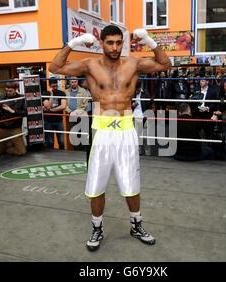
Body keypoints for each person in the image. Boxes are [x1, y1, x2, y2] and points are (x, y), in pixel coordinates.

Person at [49, 25, 171, 251]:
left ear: (122, 42)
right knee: (96, 185)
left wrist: (149, 41)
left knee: (131, 183)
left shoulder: (133, 63)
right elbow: (54, 67)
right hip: (101, 132)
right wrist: (73, 44)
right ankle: (97, 228)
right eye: (110, 43)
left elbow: (165, 64)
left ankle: (136, 225)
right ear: (102, 43)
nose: (115, 47)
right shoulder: (89, 65)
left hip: (125, 130)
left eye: (118, 42)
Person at [0, 82, 27, 156]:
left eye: (10, 91)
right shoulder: (2, 97)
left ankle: (8, 149)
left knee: (22, 151)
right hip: (2, 127)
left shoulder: (21, 98)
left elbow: (25, 112)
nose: (8, 93)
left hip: (15, 128)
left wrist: (12, 111)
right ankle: (7, 147)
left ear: (16, 89)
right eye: (7, 90)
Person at [42, 79, 67, 150]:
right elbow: (48, 106)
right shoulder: (45, 93)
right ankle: (51, 159)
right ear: (50, 85)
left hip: (59, 120)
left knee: (61, 141)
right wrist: (51, 95)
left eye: (56, 86)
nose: (55, 87)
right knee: (50, 142)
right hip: (48, 121)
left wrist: (52, 110)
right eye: (53, 86)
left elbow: (63, 106)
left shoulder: (61, 93)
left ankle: (63, 158)